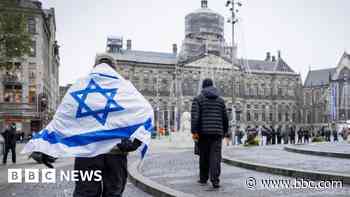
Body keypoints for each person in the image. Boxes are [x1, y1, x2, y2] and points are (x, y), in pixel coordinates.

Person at [73, 54, 142, 197]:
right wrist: (132, 144)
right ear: (115, 69)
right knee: (113, 193)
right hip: (115, 153)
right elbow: (143, 116)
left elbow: (65, 120)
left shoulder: (81, 87)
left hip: (88, 152)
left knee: (86, 193)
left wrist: (47, 148)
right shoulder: (126, 91)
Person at [191, 78, 229, 189]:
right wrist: (225, 131)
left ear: (202, 86)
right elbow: (225, 118)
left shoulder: (198, 99)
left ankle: (203, 178)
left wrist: (194, 132)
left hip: (203, 133)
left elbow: (195, 117)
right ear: (213, 86)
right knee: (215, 156)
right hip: (217, 133)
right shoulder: (221, 101)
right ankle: (215, 180)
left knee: (204, 155)